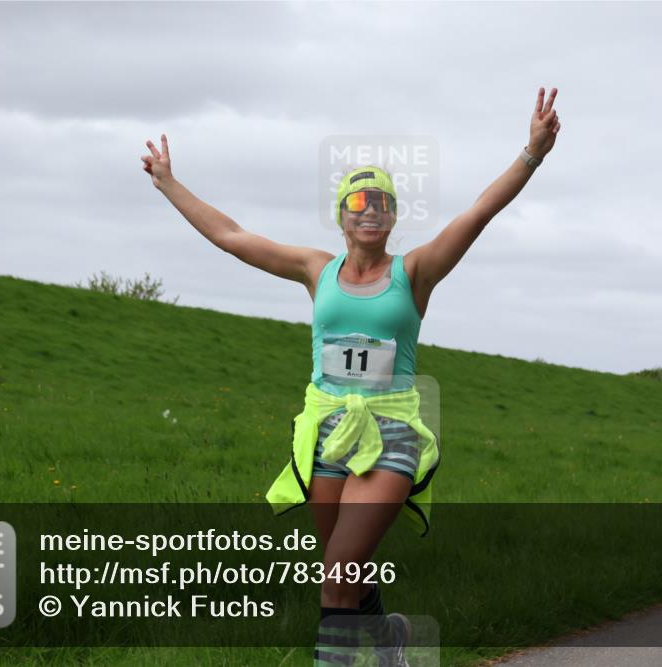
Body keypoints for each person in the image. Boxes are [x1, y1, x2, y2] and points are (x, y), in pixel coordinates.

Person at [142, 87, 561, 667]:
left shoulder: (414, 272)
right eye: (358, 201)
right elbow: (231, 236)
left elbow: (478, 212)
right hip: (326, 430)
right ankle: (388, 640)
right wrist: (168, 183)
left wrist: (531, 154)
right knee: (347, 568)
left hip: (389, 431)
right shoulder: (317, 270)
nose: (370, 210)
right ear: (341, 214)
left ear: (392, 217)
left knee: (338, 574)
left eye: (382, 202)